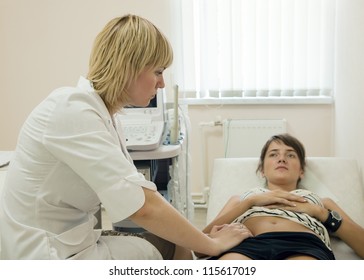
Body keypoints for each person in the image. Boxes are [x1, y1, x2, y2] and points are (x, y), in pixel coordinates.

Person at [0, 14, 254, 260]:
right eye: (158, 71)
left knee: (174, 240)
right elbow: (143, 207)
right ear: (129, 67)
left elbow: (133, 201)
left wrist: (200, 236)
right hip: (46, 254)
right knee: (175, 247)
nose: (162, 84)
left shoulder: (105, 115)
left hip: (71, 241)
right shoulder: (72, 108)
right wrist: (210, 243)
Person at [204, 134, 364, 260]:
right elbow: (201, 246)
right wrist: (250, 202)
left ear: (301, 171)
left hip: (303, 245)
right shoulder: (242, 199)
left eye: (291, 155)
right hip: (245, 244)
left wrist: (320, 212)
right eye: (273, 154)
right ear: (262, 170)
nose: (281, 159)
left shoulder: (321, 202)